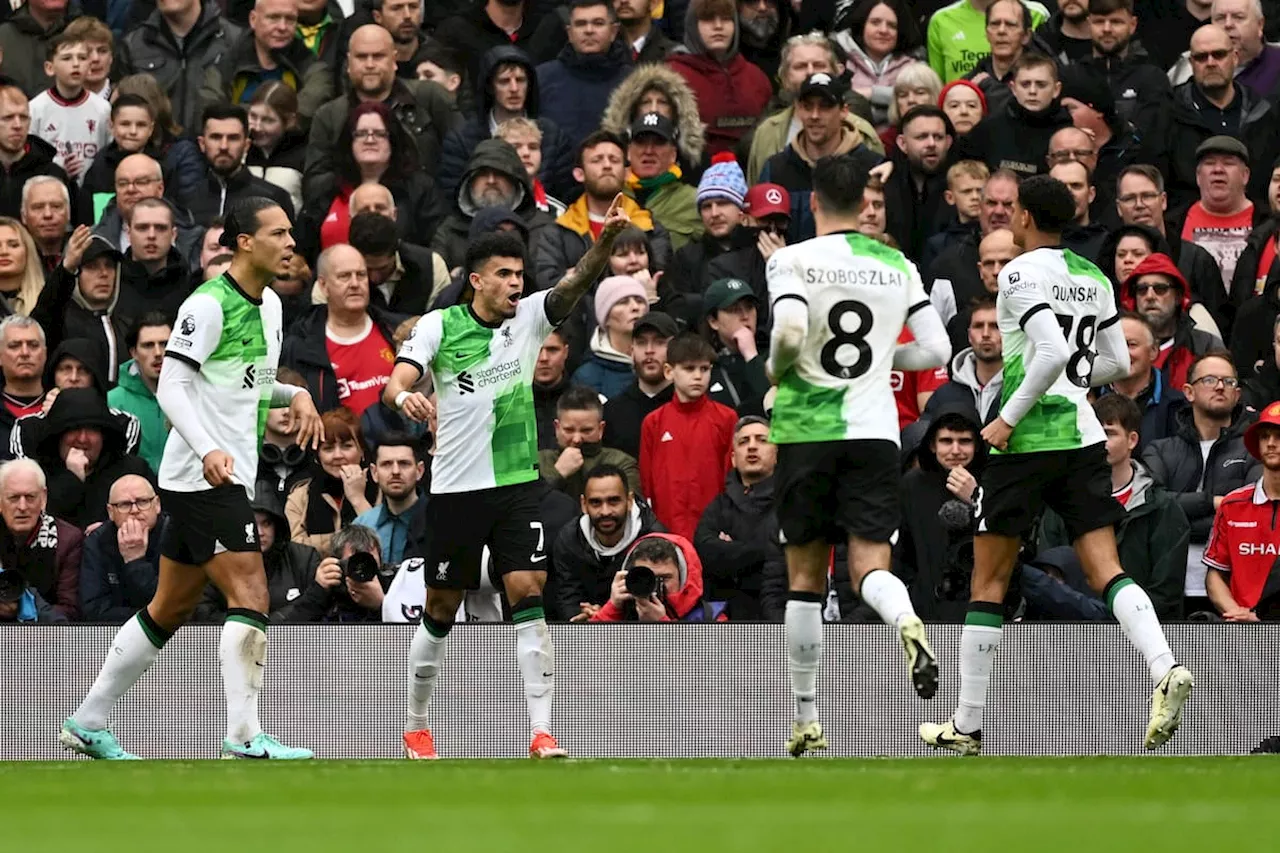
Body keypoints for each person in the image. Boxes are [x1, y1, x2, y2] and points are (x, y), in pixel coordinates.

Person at [920, 175, 1193, 757]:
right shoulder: (1093, 276)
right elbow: (1115, 360)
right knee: (1105, 568)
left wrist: (1007, 419)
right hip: (1084, 436)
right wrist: (1072, 386)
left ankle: (966, 725)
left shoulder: (1020, 273)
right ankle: (1165, 666)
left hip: (1028, 445)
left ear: (1021, 215)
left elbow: (1049, 352)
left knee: (988, 579)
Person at [60, 196, 324, 761]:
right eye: (278, 234)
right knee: (250, 591)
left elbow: (248, 384)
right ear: (245, 242)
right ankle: (244, 735)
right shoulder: (206, 306)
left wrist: (296, 392)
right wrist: (207, 449)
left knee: (169, 606)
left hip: (227, 471)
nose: (291, 244)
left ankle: (87, 721)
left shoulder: (272, 306)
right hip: (203, 477)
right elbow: (173, 386)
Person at [382, 194, 635, 760]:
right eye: (504, 275)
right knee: (442, 607)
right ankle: (416, 724)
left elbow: (572, 283)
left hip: (519, 486)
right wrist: (405, 399)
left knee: (528, 593)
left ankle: (542, 733)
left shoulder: (531, 317)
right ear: (476, 280)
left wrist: (606, 241)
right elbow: (397, 380)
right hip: (455, 490)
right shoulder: (440, 327)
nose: (516, 284)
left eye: (521, 274)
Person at [764, 152, 949, 756]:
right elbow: (936, 347)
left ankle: (807, 718)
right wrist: (876, 363)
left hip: (806, 433)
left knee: (804, 580)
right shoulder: (896, 264)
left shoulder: (790, 259)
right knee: (871, 565)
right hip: (874, 432)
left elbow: (790, 331)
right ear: (866, 206)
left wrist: (776, 369)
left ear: (813, 202)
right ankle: (904, 621)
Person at [1034, 395, 1190, 620]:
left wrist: (1117, 616)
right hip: (1074, 633)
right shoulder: (1062, 504)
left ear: (1132, 440)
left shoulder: (1162, 507)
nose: (1099, 440)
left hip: (1143, 634)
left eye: (1109, 433)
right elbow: (1050, 581)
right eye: (1093, 432)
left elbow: (1167, 593)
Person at [1142, 352, 1261, 613]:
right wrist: (1215, 503)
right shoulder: (1160, 450)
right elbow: (1151, 504)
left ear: (1238, 395)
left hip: (1233, 585)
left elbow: (1251, 512)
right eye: (1209, 380)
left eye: (1228, 382)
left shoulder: (1254, 450)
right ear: (1188, 392)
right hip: (1166, 582)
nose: (1220, 386)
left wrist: (1182, 514)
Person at [438, 46, 573, 203]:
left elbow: (565, 194)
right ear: (490, 87)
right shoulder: (462, 139)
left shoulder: (552, 135)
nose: (514, 89)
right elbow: (453, 195)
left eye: (521, 80)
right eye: (504, 81)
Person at [280, 244, 401, 416]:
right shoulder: (299, 347)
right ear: (323, 285)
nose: (354, 284)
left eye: (361, 275)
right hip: (333, 440)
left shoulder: (396, 331)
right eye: (344, 276)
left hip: (397, 440)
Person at [639, 333, 737, 540]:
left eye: (704, 369)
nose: (698, 376)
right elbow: (647, 485)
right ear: (669, 371)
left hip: (712, 531)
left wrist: (726, 523)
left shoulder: (726, 418)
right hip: (667, 530)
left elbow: (731, 477)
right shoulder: (653, 422)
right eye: (689, 368)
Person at [26, 387, 155, 529]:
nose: (82, 438)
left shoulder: (133, 470)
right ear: (59, 434)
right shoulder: (37, 476)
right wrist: (71, 480)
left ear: (104, 435)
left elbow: (157, 521)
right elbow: (36, 526)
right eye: (73, 428)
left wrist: (108, 533)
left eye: (92, 429)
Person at [550, 462, 663, 621]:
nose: (605, 511)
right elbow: (568, 597)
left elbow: (659, 602)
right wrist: (582, 616)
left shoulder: (653, 539)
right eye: (596, 502)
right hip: (588, 632)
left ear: (629, 501)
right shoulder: (569, 539)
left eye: (614, 501)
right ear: (583, 504)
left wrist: (609, 613)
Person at [195, 488, 324, 622]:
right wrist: (247, 628)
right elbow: (203, 611)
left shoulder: (304, 558)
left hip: (297, 640)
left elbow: (317, 606)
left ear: (277, 526)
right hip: (233, 641)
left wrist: (264, 626)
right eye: (251, 523)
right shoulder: (218, 559)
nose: (260, 532)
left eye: (266, 523)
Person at [692, 414, 776, 620]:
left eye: (762, 440)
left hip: (778, 616)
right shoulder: (718, 506)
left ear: (777, 454)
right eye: (744, 441)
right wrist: (764, 551)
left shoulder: (792, 502)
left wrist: (733, 549)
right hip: (727, 618)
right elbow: (706, 552)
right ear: (733, 458)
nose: (752, 447)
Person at [199, 0, 334, 124]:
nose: (282, 27)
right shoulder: (227, 65)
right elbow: (211, 111)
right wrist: (274, 116)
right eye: (273, 18)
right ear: (253, 20)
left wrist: (244, 114)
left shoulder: (312, 67)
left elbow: (308, 110)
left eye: (290, 19)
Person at [1203, 401, 1280, 619]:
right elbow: (1215, 574)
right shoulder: (1232, 505)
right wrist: (1237, 613)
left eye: (1279, 436)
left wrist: (1262, 619)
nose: (1271, 443)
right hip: (1240, 630)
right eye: (1265, 436)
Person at [667, 0, 772, 158]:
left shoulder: (757, 78)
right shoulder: (672, 76)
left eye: (726, 19)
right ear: (693, 26)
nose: (718, 26)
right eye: (708, 19)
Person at [535, 0, 634, 148]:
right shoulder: (541, 78)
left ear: (613, 32)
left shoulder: (633, 82)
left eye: (598, 23)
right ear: (569, 33)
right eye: (581, 24)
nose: (589, 30)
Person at [284, 406, 378, 553]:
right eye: (328, 448)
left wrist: (358, 499)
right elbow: (296, 552)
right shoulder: (299, 497)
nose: (338, 455)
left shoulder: (381, 491)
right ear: (318, 456)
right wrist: (348, 543)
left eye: (347, 446)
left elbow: (383, 545)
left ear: (362, 451)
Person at [0, 456, 81, 620]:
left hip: (48, 637)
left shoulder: (68, 539)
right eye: (13, 498)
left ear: (43, 498)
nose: (22, 507)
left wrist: (25, 609)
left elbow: (70, 609)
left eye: (30, 497)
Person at [79, 474, 166, 624]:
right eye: (124, 505)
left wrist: (136, 562)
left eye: (143, 501)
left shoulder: (175, 536)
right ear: (110, 512)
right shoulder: (97, 542)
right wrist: (149, 617)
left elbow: (171, 604)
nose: (135, 510)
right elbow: (93, 609)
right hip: (111, 635)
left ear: (157, 504)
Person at [588, 531, 728, 621]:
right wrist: (612, 609)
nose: (654, 585)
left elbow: (707, 666)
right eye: (646, 576)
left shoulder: (712, 619)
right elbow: (586, 659)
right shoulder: (620, 614)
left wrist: (661, 625)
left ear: (684, 578)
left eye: (664, 578)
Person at [29, 31, 112, 183]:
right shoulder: (35, 109)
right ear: (49, 67)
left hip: (91, 194)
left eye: (82, 58)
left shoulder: (103, 109)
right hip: (49, 192)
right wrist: (58, 172)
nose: (76, 64)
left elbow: (110, 156)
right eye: (67, 58)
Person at [538, 384, 641, 500]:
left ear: (601, 429)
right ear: (557, 428)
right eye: (569, 430)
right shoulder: (539, 462)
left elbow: (632, 507)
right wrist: (557, 473)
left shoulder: (621, 463)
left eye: (586, 430)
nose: (577, 439)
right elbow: (525, 506)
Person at [602, 310, 676, 459]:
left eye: (659, 342)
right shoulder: (612, 412)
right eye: (641, 343)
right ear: (632, 350)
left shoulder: (692, 407)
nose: (649, 351)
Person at [108, 313, 172, 473]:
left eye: (165, 344)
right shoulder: (113, 402)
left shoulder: (195, 396)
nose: (158, 353)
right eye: (148, 345)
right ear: (133, 352)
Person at [352, 432, 423, 566]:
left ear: (419, 471)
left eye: (404, 464)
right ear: (374, 473)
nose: (395, 471)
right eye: (386, 464)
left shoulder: (438, 522)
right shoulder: (362, 525)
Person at [703, 277, 770, 414]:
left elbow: (772, 404)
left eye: (749, 307)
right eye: (733, 309)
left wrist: (752, 357)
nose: (745, 316)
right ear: (713, 321)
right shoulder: (705, 365)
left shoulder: (773, 356)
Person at [571, 275, 646, 397]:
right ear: (605, 317)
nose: (635, 307)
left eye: (639, 300)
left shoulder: (662, 365)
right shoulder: (587, 377)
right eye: (623, 302)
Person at [245, 81, 307, 214]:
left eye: (268, 120)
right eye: (253, 116)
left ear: (290, 121)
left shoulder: (304, 153)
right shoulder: (242, 149)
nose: (256, 127)